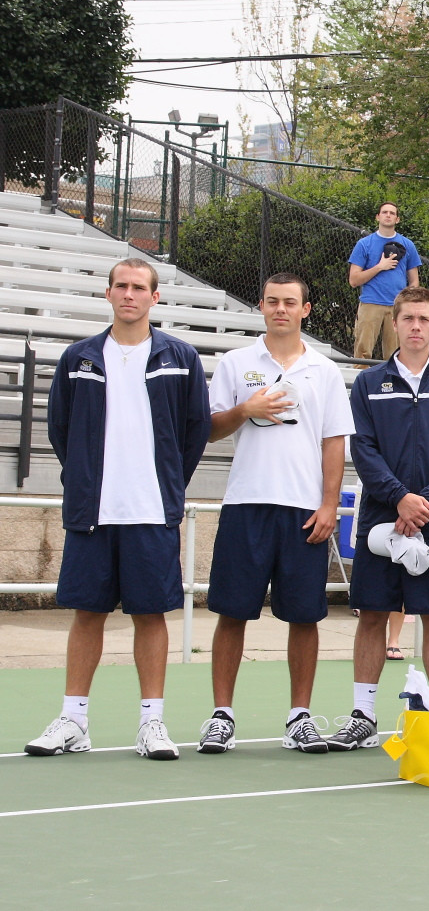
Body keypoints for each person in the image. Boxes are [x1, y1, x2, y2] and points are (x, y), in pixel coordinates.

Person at [26, 259, 210, 760]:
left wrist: (167, 481)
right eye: (121, 287)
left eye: (139, 288)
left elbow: (195, 430)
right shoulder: (77, 358)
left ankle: (152, 724)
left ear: (155, 297)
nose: (129, 295)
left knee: (150, 615)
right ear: (108, 294)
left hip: (152, 512)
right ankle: (73, 721)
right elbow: (60, 429)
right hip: (93, 512)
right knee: (88, 614)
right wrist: (86, 477)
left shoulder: (181, 357)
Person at [196, 273, 356, 755]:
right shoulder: (235, 362)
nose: (280, 309)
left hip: (304, 511)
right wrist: (247, 408)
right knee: (232, 612)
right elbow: (209, 430)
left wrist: (330, 504)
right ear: (261, 306)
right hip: (246, 504)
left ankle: (299, 717)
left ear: (306, 309)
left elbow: (334, 443)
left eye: (290, 302)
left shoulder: (324, 371)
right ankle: (222, 715)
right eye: (272, 302)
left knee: (304, 616)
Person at [326, 287, 429, 752]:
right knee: (372, 615)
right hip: (381, 522)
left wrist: (424, 502)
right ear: (395, 322)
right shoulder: (370, 384)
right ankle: (363, 715)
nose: (415, 326)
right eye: (408, 317)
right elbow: (363, 449)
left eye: (424, 319)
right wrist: (399, 499)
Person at [348, 201, 422, 361]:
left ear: (397, 219)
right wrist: (380, 267)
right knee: (362, 353)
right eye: (384, 212)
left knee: (395, 356)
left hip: (396, 307)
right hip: (370, 303)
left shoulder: (408, 245)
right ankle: (360, 383)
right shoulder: (364, 244)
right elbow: (353, 280)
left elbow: (414, 282)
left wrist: (405, 302)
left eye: (392, 213)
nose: (388, 215)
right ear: (378, 217)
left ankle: (393, 385)